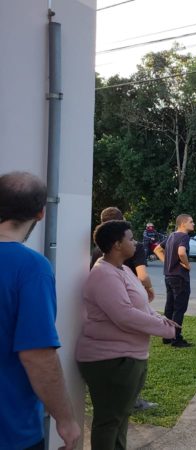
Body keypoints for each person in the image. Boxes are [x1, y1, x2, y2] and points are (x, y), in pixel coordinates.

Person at [78, 220, 179, 449]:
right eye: (130, 238)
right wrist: (164, 328)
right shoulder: (103, 274)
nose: (135, 242)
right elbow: (124, 315)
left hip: (129, 356)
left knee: (121, 418)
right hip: (110, 360)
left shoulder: (122, 269)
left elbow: (141, 305)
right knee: (109, 420)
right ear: (116, 245)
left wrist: (159, 317)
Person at [0, 172, 81, 450]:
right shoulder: (31, 268)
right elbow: (38, 356)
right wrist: (66, 419)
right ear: (41, 213)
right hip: (11, 432)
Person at [91, 207, 158, 411]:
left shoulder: (98, 248)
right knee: (132, 353)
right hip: (128, 304)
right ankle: (131, 399)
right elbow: (142, 275)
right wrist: (148, 289)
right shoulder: (132, 247)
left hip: (102, 306)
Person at [154, 214, 195, 347]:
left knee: (169, 307)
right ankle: (176, 339)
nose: (193, 224)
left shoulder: (171, 235)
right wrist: (187, 265)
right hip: (180, 277)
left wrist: (167, 262)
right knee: (179, 308)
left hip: (169, 276)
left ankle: (166, 336)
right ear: (183, 224)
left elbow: (157, 249)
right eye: (191, 222)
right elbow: (182, 252)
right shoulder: (184, 236)